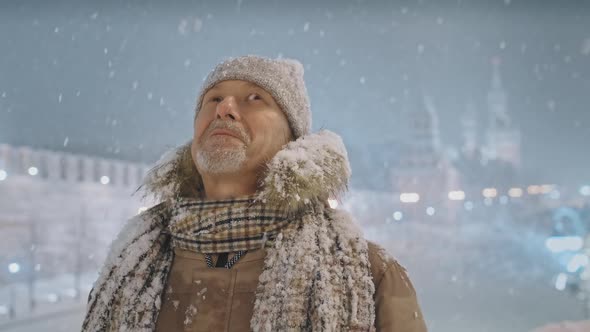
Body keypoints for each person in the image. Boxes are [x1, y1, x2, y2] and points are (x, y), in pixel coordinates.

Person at [81, 55, 427, 331]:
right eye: (213, 98)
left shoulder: (370, 274)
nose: (224, 108)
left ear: (292, 140)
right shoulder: (132, 262)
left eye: (254, 98)